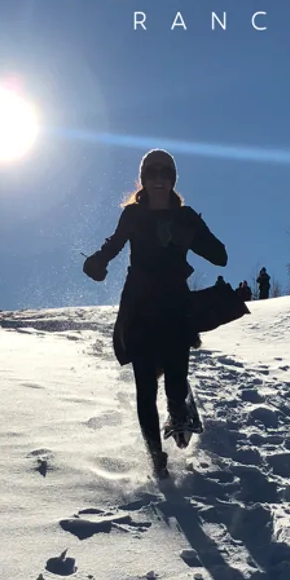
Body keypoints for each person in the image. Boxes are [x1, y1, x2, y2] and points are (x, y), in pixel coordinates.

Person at [82, 149, 228, 479]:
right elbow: (113, 245)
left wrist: (191, 236)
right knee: (145, 387)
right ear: (143, 180)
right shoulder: (133, 215)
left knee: (175, 382)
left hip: (175, 308)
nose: (158, 179)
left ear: (172, 179)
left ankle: (179, 411)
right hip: (139, 309)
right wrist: (97, 262)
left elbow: (220, 256)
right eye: (152, 173)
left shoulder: (186, 217)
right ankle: (155, 458)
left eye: (165, 173)